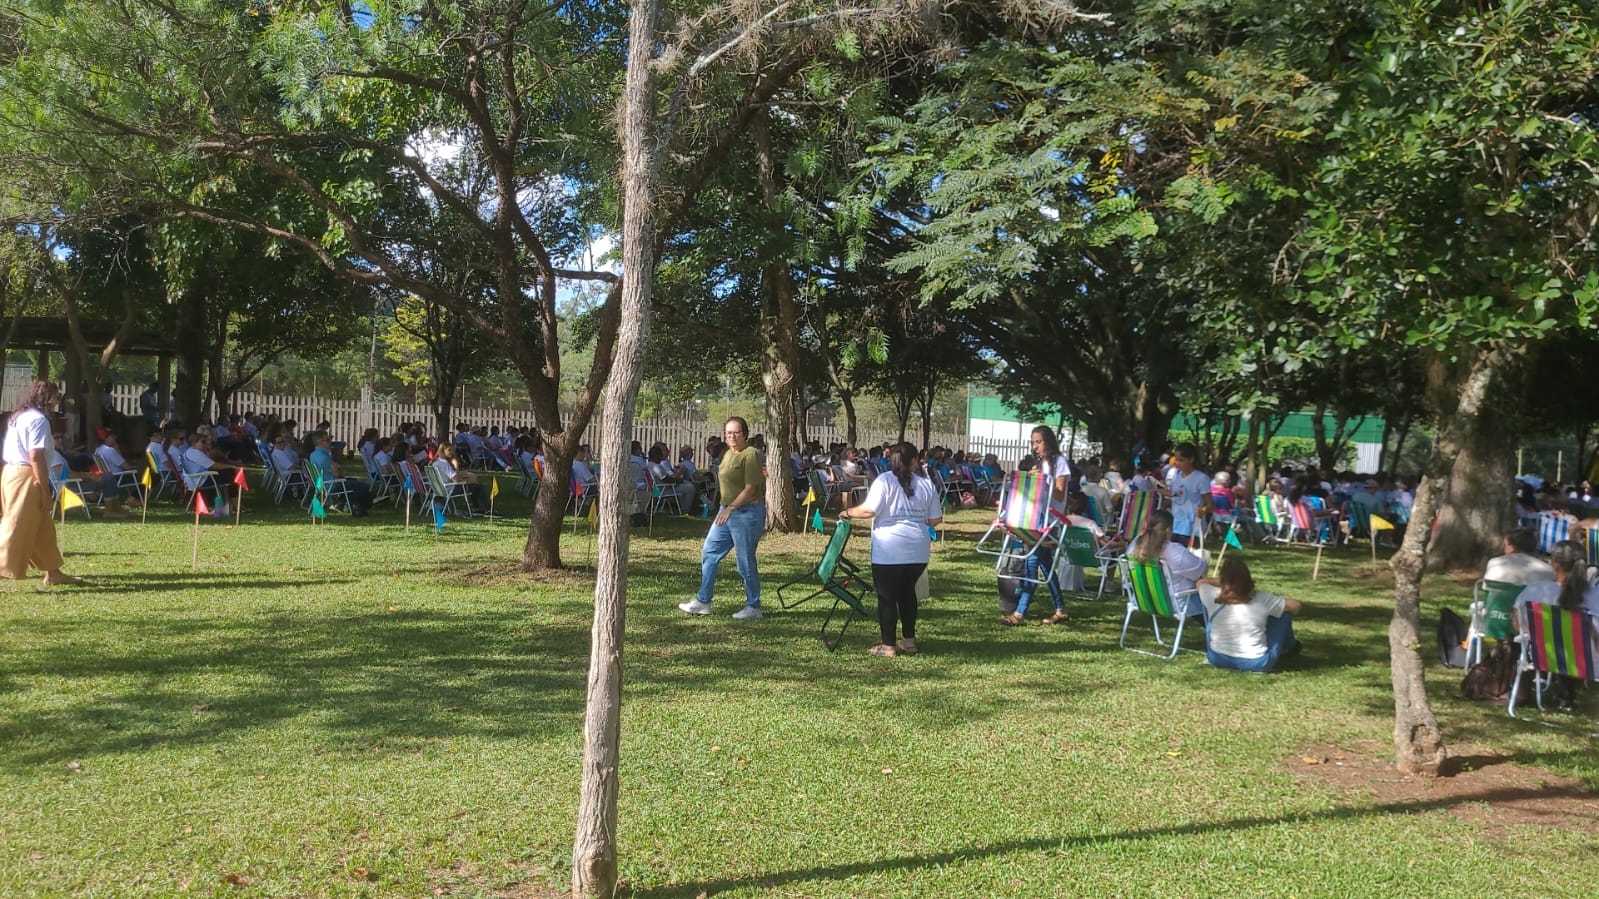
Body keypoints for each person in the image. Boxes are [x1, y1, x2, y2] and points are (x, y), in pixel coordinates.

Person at [840, 442, 941, 657]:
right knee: (907, 594)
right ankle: (909, 641)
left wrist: (847, 512)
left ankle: (888, 646)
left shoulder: (884, 480)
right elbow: (935, 520)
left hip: (888, 551)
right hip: (917, 551)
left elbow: (869, 510)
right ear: (914, 461)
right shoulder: (926, 484)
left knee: (887, 598)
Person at [679, 416, 766, 620]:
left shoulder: (751, 454)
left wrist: (732, 508)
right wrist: (724, 508)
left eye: (736, 432)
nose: (732, 436)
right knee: (709, 552)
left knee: (744, 561)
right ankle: (703, 601)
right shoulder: (727, 454)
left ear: (745, 433)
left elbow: (751, 488)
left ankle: (754, 607)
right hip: (726, 511)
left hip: (746, 513)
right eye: (728, 433)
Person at [0, 382, 82, 586]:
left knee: (42, 526)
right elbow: (35, 456)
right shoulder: (38, 420)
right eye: (55, 397)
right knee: (15, 526)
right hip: (26, 476)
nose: (57, 401)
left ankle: (53, 572)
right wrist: (45, 491)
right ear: (46, 398)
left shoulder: (19, 416)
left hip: (12, 473)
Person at [1000, 426, 1073, 626]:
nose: (1035, 446)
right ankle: (1060, 609)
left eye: (1038, 442)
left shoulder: (1060, 463)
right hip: (1034, 520)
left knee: (1032, 563)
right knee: (1045, 566)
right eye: (1033, 442)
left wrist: (1043, 480)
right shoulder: (1039, 463)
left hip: (1051, 522)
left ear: (1048, 442)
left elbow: (1059, 494)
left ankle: (1019, 614)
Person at [1197, 557, 1303, 673]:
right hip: (1255, 662)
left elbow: (1200, 582)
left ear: (1222, 580)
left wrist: (1225, 582)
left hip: (1217, 658)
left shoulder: (1211, 594)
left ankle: (1288, 648)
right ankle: (1290, 647)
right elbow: (1296, 606)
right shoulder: (1263, 598)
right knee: (1283, 612)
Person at [1125, 510, 1206, 616]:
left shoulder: (1136, 544)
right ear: (1168, 530)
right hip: (1175, 603)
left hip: (1142, 599)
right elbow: (1200, 570)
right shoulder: (1174, 551)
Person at [1517, 540, 1599, 618]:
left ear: (1555, 565)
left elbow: (1517, 621)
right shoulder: (1596, 595)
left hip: (1542, 632)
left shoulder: (1535, 590)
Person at [1162, 442, 1213, 546]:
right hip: (1174, 526)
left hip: (1192, 529)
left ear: (1191, 459)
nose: (1177, 463)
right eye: (1176, 459)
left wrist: (1202, 510)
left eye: (1181, 460)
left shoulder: (1201, 478)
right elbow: (1175, 495)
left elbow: (1210, 505)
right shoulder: (1176, 476)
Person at [1484, 526, 1556, 585]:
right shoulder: (1548, 570)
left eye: (1505, 545)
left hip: (1498, 602)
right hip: (1529, 603)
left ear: (1512, 547)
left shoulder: (1494, 563)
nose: (1504, 549)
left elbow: (1486, 587)